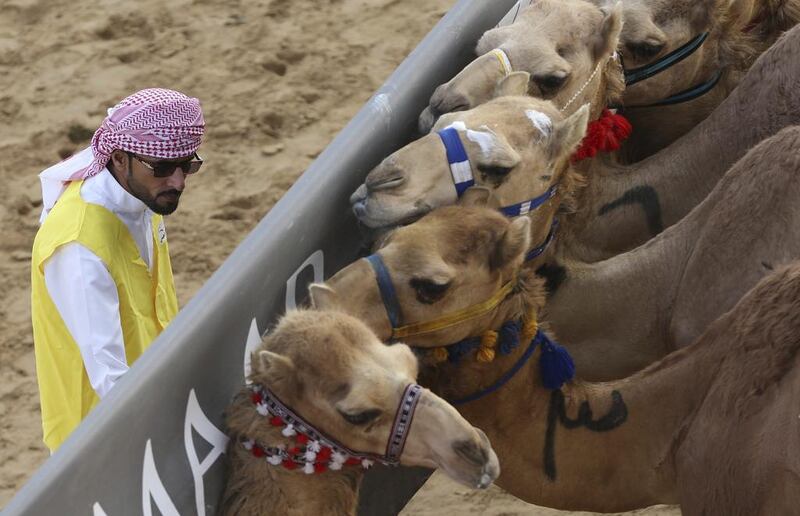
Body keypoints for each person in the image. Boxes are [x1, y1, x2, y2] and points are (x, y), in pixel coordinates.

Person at [30, 88, 205, 452]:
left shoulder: (144, 195)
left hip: (158, 405)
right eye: (162, 167)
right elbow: (109, 378)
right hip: (106, 444)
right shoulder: (78, 246)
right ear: (120, 158)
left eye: (187, 164)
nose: (178, 182)